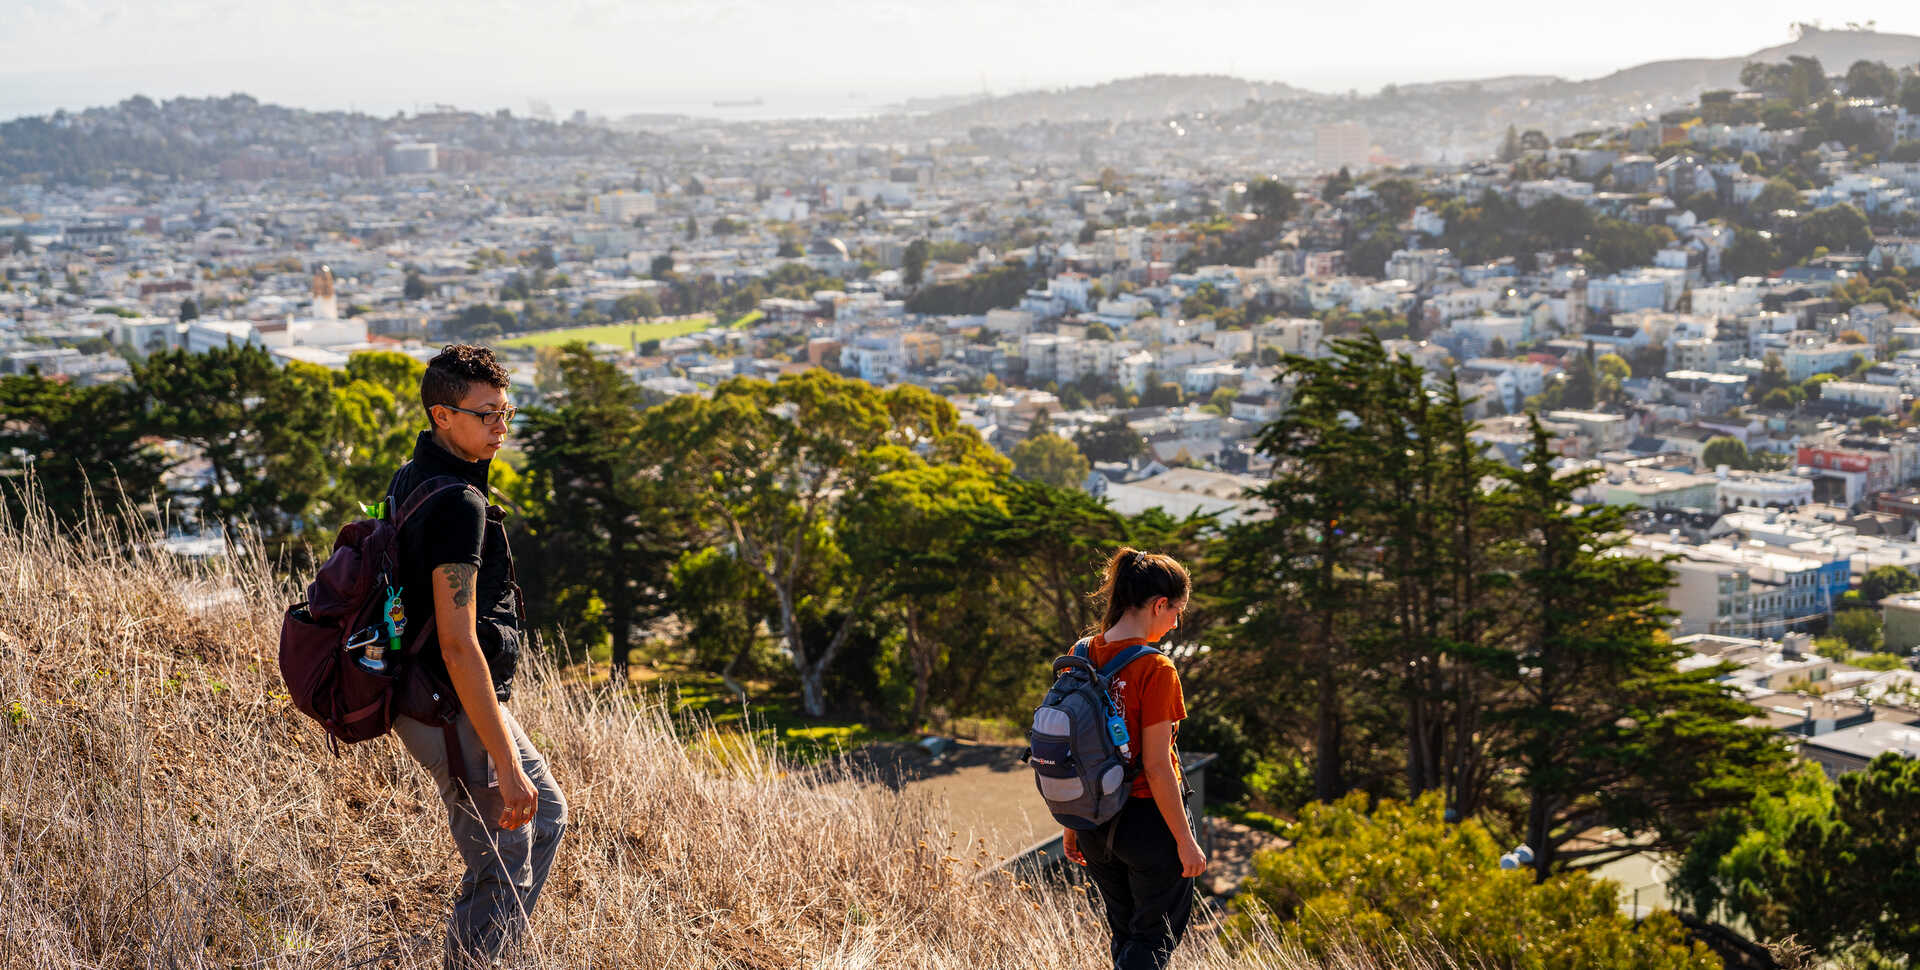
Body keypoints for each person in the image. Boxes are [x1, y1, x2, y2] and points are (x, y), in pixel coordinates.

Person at [388, 344, 566, 967]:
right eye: (485, 413)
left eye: (505, 411)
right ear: (442, 416)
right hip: (447, 697)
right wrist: (504, 762)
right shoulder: (459, 504)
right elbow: (458, 641)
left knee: (545, 820)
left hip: (442, 691)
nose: (500, 426)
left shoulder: (415, 475)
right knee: (503, 860)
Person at [1063, 547, 1205, 970]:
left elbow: (1070, 749)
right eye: (1176, 611)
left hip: (1092, 818)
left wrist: (1071, 824)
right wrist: (1185, 840)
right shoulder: (1157, 669)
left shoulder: (1083, 652)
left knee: (1125, 932)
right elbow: (1158, 767)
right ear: (1160, 604)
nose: (1176, 622)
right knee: (1153, 939)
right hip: (1147, 823)